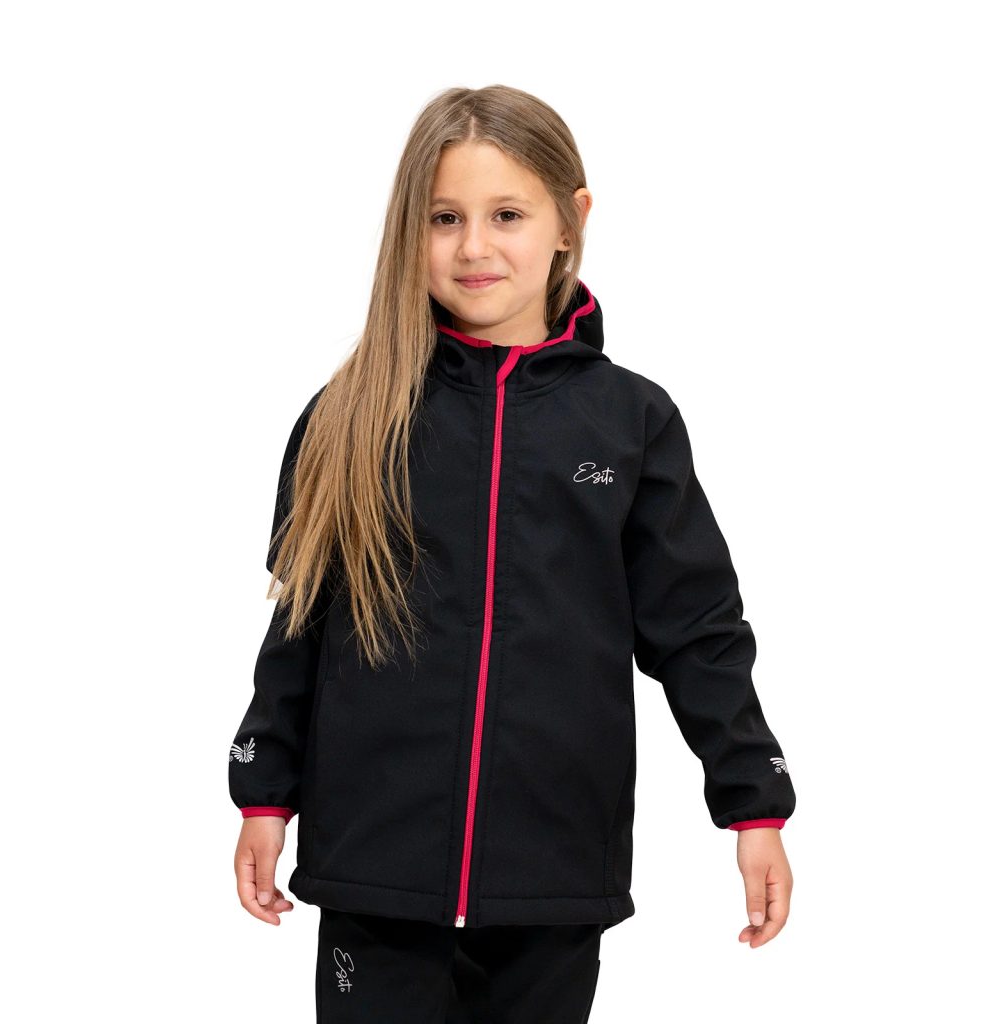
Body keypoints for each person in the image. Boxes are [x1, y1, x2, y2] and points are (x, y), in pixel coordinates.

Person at [229, 84, 796, 1023]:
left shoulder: (631, 421)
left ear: (570, 222)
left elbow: (698, 630)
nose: (473, 248)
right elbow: (300, 628)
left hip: (553, 872)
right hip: (376, 868)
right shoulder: (350, 416)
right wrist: (263, 795)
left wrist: (754, 804)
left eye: (506, 215)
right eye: (444, 218)